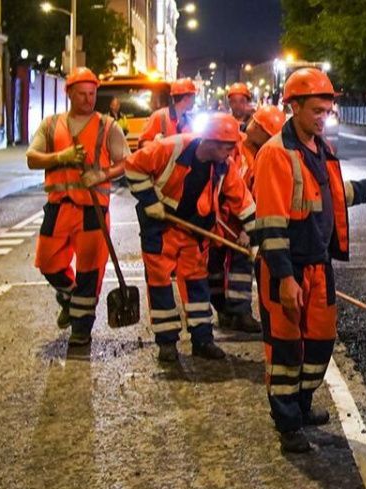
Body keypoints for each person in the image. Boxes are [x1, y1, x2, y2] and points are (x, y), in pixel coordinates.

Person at [254, 68, 366, 454]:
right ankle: (287, 425)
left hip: (318, 264)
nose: (323, 117)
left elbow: (335, 196)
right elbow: (270, 225)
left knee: (319, 341)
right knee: (285, 348)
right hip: (286, 267)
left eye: (327, 110)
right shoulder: (275, 155)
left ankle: (301, 404)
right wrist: (284, 278)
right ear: (293, 106)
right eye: (316, 110)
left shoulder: (320, 150)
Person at [122, 113, 256, 362]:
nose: (231, 152)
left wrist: (258, 239)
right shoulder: (172, 148)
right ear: (211, 142)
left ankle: (202, 340)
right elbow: (132, 166)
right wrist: (150, 201)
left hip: (194, 231)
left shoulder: (224, 166)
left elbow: (243, 201)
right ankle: (167, 343)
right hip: (160, 228)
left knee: (197, 286)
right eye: (227, 147)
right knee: (160, 285)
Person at [25, 66, 129, 348]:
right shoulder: (50, 125)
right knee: (47, 262)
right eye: (82, 94)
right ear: (68, 93)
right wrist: (62, 156)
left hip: (93, 210)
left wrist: (102, 174)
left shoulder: (109, 126)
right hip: (59, 207)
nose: (88, 99)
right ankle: (69, 299)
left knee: (89, 272)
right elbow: (32, 158)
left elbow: (126, 162)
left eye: (92, 94)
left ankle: (81, 329)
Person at [209, 104, 288, 334]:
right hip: (218, 217)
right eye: (254, 122)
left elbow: (259, 194)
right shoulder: (234, 143)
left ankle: (241, 311)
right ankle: (222, 310)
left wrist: (248, 229)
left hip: (243, 219)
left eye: (258, 126)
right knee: (211, 268)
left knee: (242, 265)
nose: (250, 126)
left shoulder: (266, 156)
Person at [139, 78, 196, 148]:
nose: (194, 101)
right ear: (186, 99)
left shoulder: (189, 122)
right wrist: (156, 146)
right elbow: (143, 143)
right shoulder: (159, 116)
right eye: (193, 97)